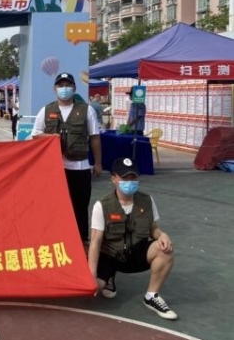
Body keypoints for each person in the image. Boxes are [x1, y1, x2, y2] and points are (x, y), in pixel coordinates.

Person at [88, 157, 178, 320]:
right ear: (114, 179)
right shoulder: (102, 205)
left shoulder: (147, 200)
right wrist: (91, 275)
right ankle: (108, 277)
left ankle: (152, 296)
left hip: (136, 253)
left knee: (165, 250)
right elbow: (95, 242)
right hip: (110, 256)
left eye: (133, 177)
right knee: (94, 287)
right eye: (124, 178)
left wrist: (162, 235)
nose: (129, 182)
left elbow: (153, 229)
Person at [29, 72, 102, 243]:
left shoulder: (86, 110)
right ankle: (55, 239)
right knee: (54, 205)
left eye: (68, 85)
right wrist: (52, 137)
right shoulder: (46, 110)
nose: (64, 89)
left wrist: (98, 163)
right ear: (54, 89)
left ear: (74, 88)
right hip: (54, 169)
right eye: (61, 85)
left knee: (80, 206)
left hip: (80, 167)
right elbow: (35, 135)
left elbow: (94, 137)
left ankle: (81, 241)